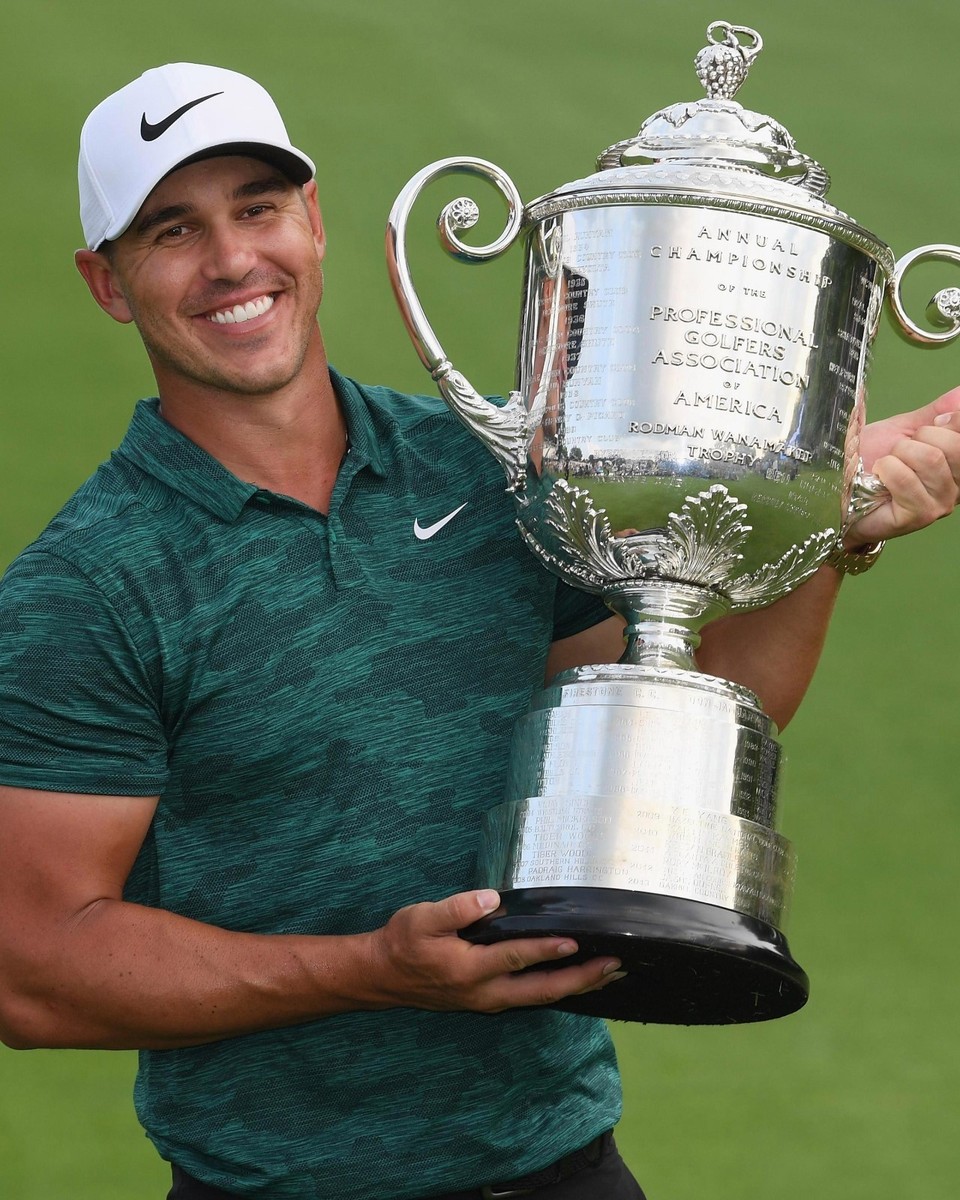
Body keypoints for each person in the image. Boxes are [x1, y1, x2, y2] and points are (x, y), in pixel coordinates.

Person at [0, 63, 958, 1200]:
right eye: (171, 230)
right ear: (106, 283)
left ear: (311, 222)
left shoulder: (485, 467)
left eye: (257, 207)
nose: (231, 261)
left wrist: (825, 523)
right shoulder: (87, 587)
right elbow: (36, 972)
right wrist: (371, 972)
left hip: (563, 1168)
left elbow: (657, 725)